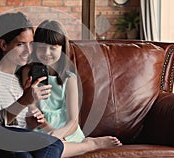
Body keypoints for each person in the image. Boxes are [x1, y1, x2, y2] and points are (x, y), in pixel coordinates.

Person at [0, 12, 64, 158]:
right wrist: (24, 101)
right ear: (4, 45)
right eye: (21, 44)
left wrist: (30, 124)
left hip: (5, 139)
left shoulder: (18, 80)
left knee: (25, 155)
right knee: (53, 144)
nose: (28, 51)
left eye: (31, 44)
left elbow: (14, 125)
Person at [19, 20, 122, 157]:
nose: (46, 53)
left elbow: (73, 121)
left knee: (51, 149)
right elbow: (30, 105)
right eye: (42, 47)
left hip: (65, 130)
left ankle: (91, 144)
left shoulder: (69, 78)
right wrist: (49, 130)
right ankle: (84, 145)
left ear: (62, 48)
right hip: (39, 127)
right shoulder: (27, 71)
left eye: (53, 48)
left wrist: (58, 134)